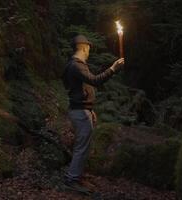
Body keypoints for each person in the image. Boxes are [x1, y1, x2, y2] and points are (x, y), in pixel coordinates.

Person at [62, 35, 125, 193]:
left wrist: (89, 108)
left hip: (82, 111)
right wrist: (113, 69)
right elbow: (95, 81)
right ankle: (71, 180)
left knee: (84, 146)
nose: (89, 50)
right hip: (80, 113)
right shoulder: (76, 66)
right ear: (84, 47)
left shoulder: (75, 65)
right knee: (81, 147)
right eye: (88, 47)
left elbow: (79, 88)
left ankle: (77, 176)